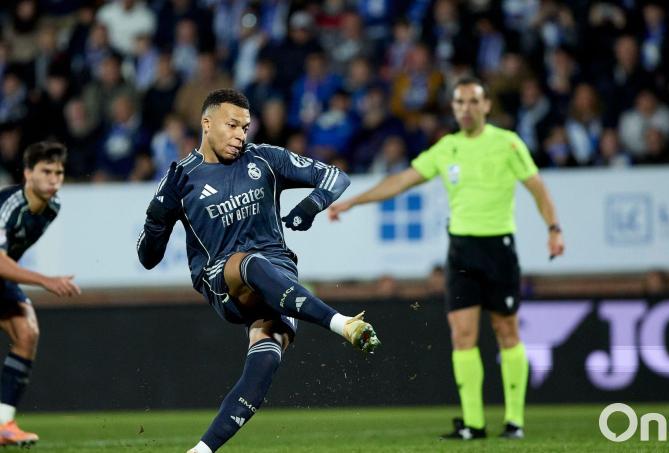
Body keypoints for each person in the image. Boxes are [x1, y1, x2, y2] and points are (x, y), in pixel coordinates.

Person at [135, 89, 379, 453]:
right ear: (207, 123)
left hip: (280, 278)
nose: (240, 134)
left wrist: (312, 205)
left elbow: (335, 177)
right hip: (223, 280)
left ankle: (201, 450)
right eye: (232, 125)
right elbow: (147, 258)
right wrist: (156, 218)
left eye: (245, 127)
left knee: (265, 358)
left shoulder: (264, 159)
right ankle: (342, 323)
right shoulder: (180, 179)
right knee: (247, 263)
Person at [330, 77, 565, 440]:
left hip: (498, 248)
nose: (466, 109)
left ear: (486, 106)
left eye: (473, 102)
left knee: (507, 331)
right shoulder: (447, 148)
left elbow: (537, 188)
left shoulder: (507, 143)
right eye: (459, 103)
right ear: (453, 108)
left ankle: (514, 422)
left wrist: (553, 228)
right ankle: (473, 424)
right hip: (461, 251)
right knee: (462, 336)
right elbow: (402, 180)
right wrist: (353, 201)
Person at [0, 141, 82, 446]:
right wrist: (45, 280)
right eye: (46, 171)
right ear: (26, 173)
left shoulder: (52, 207)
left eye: (59, 173)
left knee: (27, 333)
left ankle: (4, 424)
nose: (53, 179)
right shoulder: (10, 206)